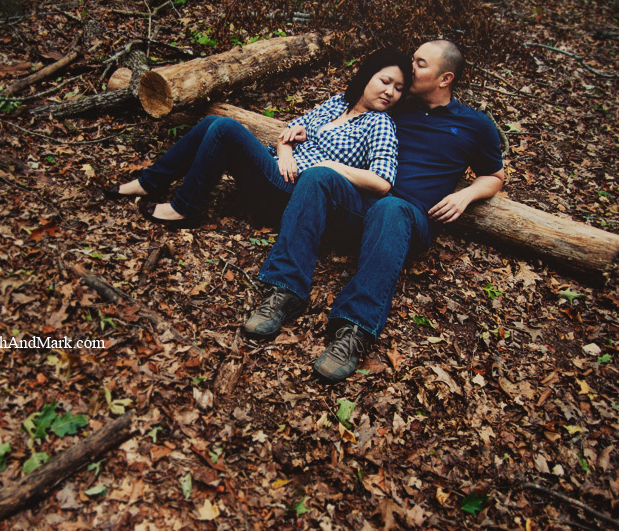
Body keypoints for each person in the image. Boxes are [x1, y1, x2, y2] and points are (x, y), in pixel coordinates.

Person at [243, 40, 505, 384]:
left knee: (391, 207)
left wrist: (467, 195)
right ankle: (285, 291)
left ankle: (353, 329)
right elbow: (348, 114)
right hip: (362, 204)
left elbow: (495, 176)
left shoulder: (475, 124)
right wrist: (298, 135)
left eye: (420, 63)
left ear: (445, 79)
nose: (410, 68)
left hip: (410, 218)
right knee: (321, 174)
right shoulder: (396, 103)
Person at [106, 48, 412, 227]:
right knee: (213, 121)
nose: (389, 92)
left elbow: (382, 182)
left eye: (398, 88)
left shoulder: (380, 124)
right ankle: (149, 182)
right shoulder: (337, 103)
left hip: (294, 193)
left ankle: (185, 207)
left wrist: (331, 168)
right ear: (368, 76)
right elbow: (287, 132)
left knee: (225, 128)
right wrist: (286, 152)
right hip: (274, 168)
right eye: (385, 81)